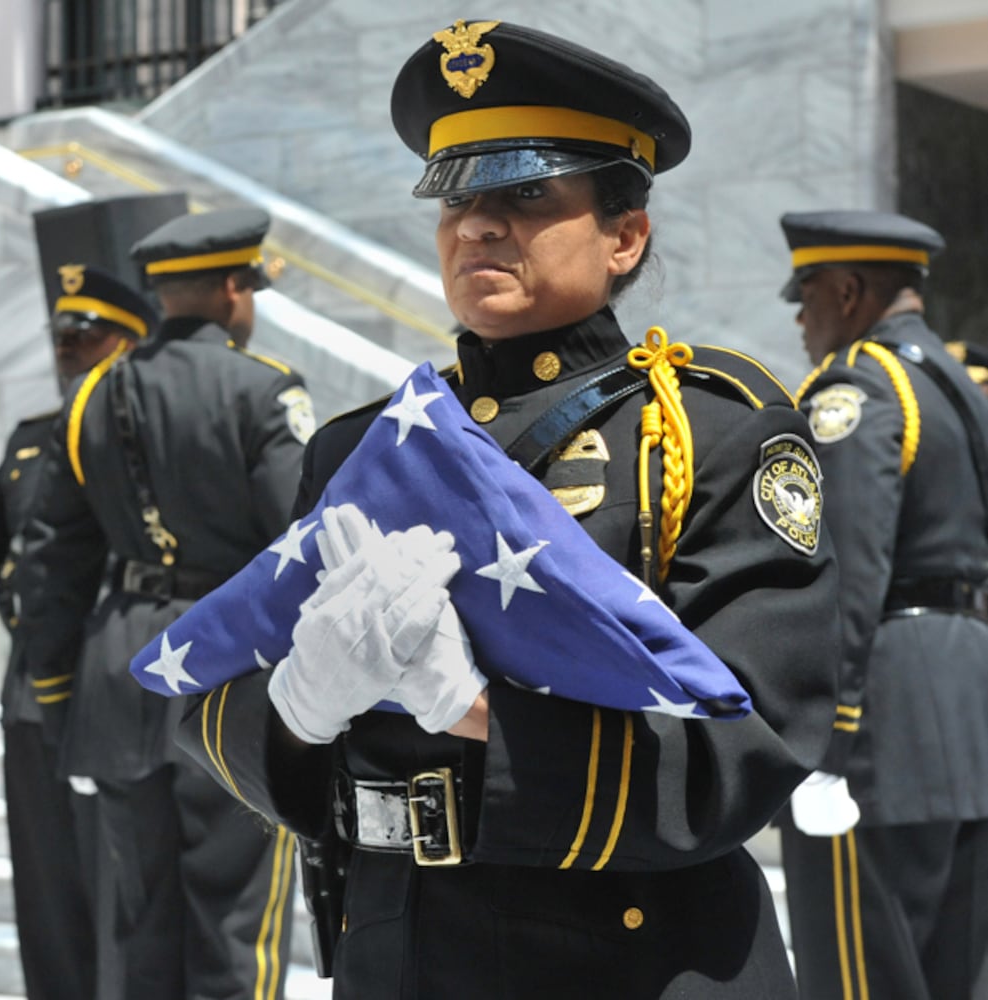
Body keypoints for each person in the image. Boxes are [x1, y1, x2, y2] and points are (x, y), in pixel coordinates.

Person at [173, 20, 840, 999]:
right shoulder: (360, 447)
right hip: (399, 946)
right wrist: (293, 710)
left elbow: (745, 747)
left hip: (627, 956)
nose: (476, 225)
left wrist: (474, 706)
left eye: (526, 193)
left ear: (624, 236)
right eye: (454, 199)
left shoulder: (711, 431)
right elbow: (217, 688)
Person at [15, 208, 310, 999]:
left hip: (121, 672)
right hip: (230, 670)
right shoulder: (264, 389)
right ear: (230, 288)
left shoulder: (91, 398)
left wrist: (53, 691)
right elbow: (298, 550)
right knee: (236, 922)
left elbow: (50, 563)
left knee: (141, 919)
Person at [778, 210, 988, 999]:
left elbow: (846, 572)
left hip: (879, 735)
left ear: (846, 288)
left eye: (806, 296)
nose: (802, 320)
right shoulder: (957, 386)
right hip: (965, 721)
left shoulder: (858, 386)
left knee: (858, 978)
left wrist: (821, 739)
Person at [0, 263, 154, 1000]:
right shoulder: (31, 437)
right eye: (62, 336)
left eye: (86, 335)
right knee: (46, 891)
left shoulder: (146, 440)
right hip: (32, 693)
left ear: (128, 343)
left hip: (113, 686)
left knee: (119, 893)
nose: (68, 348)